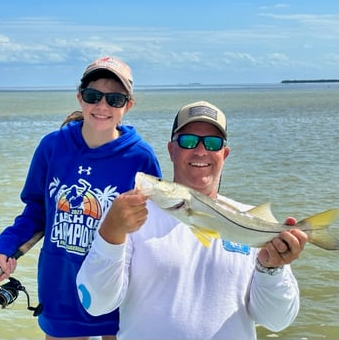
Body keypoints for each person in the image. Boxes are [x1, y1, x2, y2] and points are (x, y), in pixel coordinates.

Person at [76, 100, 308, 340]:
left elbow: (277, 321)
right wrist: (110, 235)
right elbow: (96, 304)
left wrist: (271, 269)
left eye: (213, 143)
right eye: (188, 141)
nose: (200, 151)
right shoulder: (129, 218)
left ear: (224, 154)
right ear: (171, 150)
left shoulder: (249, 220)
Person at [0, 56, 162, 340]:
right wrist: (7, 246)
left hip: (119, 296)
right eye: (93, 95)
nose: (102, 105)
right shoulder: (52, 147)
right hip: (61, 293)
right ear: (80, 97)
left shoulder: (141, 157)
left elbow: (152, 230)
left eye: (115, 99)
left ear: (128, 106)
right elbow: (37, 210)